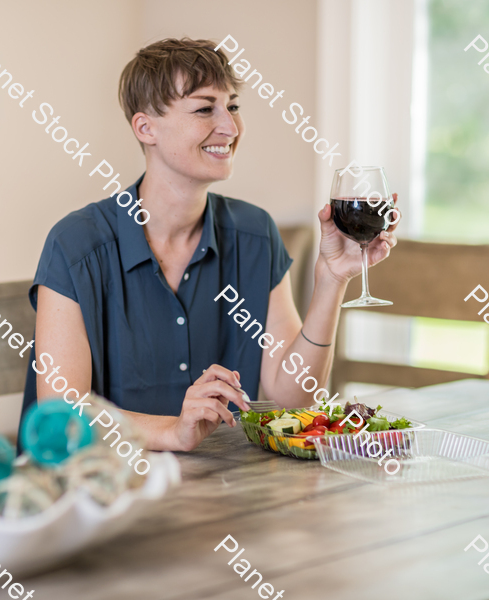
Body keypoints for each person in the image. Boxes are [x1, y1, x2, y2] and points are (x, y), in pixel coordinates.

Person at [22, 37, 399, 452]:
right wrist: (172, 431)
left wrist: (331, 280)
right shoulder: (77, 244)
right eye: (205, 108)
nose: (231, 127)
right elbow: (62, 413)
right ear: (145, 127)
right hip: (103, 495)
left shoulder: (256, 234)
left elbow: (292, 398)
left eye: (232, 106)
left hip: (223, 490)